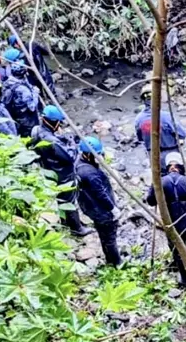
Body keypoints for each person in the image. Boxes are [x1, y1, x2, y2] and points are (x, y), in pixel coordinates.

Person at [146, 152, 186, 287]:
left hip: (172, 225)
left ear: (167, 167)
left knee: (178, 253)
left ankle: (185, 280)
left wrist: (155, 187)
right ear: (181, 166)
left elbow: (150, 201)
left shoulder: (160, 183)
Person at [30, 105, 90, 236]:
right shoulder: (52, 141)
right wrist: (71, 143)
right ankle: (77, 229)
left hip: (48, 169)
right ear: (54, 122)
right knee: (69, 200)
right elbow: (69, 157)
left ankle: (65, 221)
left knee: (61, 198)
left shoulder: (36, 131)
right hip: (62, 173)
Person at [76, 137, 121, 266]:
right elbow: (100, 193)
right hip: (101, 210)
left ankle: (109, 260)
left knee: (104, 236)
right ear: (89, 154)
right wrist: (113, 209)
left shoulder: (79, 163)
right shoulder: (90, 173)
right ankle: (117, 263)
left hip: (90, 207)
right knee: (110, 238)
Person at [135, 83, 186, 175]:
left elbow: (140, 139)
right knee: (179, 179)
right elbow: (182, 134)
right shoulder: (166, 117)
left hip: (154, 156)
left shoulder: (139, 119)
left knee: (161, 182)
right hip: (171, 154)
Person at [1, 54, 40, 137]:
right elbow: (32, 107)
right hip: (26, 119)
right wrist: (35, 93)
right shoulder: (23, 90)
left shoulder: (7, 83)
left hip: (15, 116)